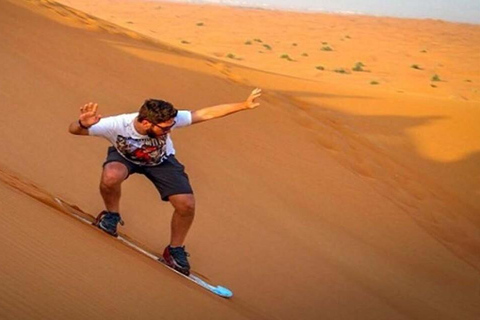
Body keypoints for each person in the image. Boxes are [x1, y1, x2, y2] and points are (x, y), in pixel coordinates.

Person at [68, 88, 262, 275]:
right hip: (125, 157)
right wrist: (83, 124)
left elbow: (205, 113)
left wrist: (244, 105)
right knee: (111, 176)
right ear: (145, 122)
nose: (169, 130)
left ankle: (174, 250)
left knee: (186, 205)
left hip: (161, 161)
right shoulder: (117, 124)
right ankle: (111, 215)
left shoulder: (168, 122)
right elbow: (74, 130)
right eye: (165, 128)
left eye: (171, 125)